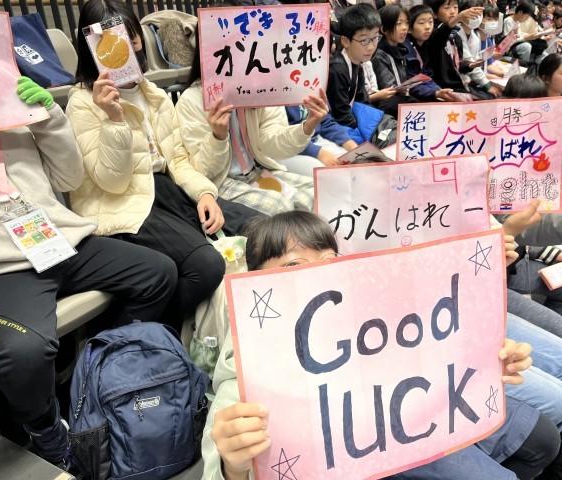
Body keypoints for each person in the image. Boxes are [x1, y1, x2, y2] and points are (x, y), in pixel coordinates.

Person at [0, 77, 178, 465]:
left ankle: (101, 373)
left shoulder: (5, 103)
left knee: (157, 273)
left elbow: (68, 179)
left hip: (57, 241)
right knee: (24, 351)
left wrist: (47, 117)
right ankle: (47, 433)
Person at [202, 211, 561, 480]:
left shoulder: (374, 316)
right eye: (294, 264)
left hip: (426, 419)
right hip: (375, 457)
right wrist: (233, 465)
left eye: (329, 260)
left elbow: (427, 349)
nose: (318, 272)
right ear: (257, 281)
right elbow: (225, 462)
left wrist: (485, 360)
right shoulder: (249, 373)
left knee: (542, 438)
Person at [67, 0, 253, 325]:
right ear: (91, 50)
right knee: (206, 266)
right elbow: (113, 182)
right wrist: (114, 120)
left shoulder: (153, 93)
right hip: (123, 202)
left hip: (165, 190)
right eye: (111, 44)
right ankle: (156, 331)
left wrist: (204, 193)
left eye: (131, 39)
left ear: (139, 39)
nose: (126, 50)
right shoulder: (82, 103)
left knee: (259, 228)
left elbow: (178, 159)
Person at [175, 32, 325, 215]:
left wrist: (306, 127)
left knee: (319, 193)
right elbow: (203, 171)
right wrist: (218, 137)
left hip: (257, 169)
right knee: (282, 210)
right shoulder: (191, 99)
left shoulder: (260, 87)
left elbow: (271, 144)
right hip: (222, 181)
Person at [326, 3, 397, 147]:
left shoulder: (357, 62)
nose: (371, 47)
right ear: (345, 41)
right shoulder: (337, 69)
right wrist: (365, 138)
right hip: (340, 130)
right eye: (364, 40)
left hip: (356, 122)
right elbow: (341, 116)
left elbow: (363, 101)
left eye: (375, 38)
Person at [370, 4, 419, 117]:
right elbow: (388, 88)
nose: (404, 27)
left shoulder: (400, 50)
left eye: (406, 22)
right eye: (398, 23)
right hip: (386, 104)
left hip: (399, 99)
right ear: (383, 29)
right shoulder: (379, 54)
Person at [404, 5, 458, 102]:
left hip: (427, 92)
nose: (428, 27)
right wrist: (435, 93)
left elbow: (427, 77)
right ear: (409, 28)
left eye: (430, 22)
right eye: (422, 23)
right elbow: (410, 83)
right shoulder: (405, 49)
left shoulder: (426, 46)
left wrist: (438, 91)